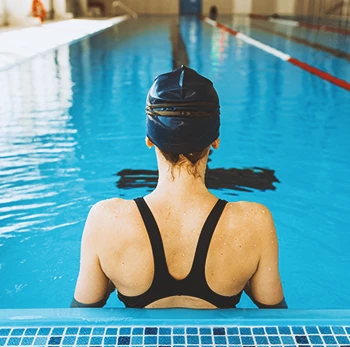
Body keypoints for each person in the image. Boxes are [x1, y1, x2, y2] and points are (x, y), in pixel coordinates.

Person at [71, 66, 287, 309]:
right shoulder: (254, 222)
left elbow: (82, 321)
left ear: (149, 140)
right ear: (215, 140)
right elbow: (277, 322)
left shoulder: (106, 220)